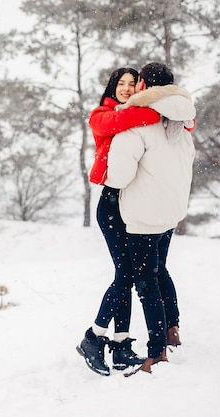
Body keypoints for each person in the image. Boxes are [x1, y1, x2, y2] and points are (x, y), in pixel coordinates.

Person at [106, 62, 196, 374]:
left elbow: (117, 177)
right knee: (159, 271)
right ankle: (172, 329)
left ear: (143, 85)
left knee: (145, 282)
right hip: (170, 214)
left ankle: (156, 353)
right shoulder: (182, 123)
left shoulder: (136, 125)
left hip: (144, 217)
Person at [76, 68, 161, 376]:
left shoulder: (137, 112)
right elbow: (121, 121)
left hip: (132, 203)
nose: (125, 89)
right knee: (126, 275)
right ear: (112, 88)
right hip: (111, 204)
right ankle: (94, 337)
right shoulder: (102, 114)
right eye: (120, 84)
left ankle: (121, 344)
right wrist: (153, 111)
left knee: (125, 275)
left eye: (131, 84)